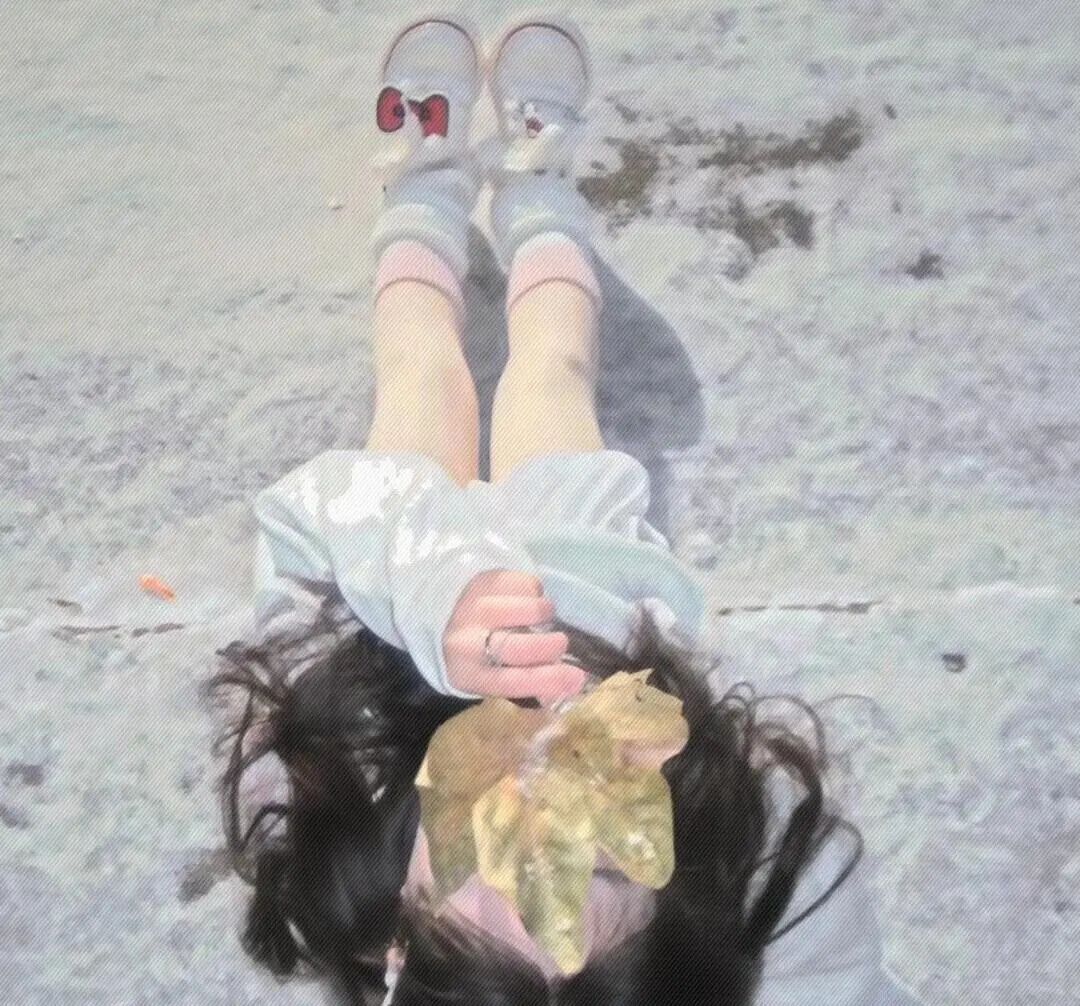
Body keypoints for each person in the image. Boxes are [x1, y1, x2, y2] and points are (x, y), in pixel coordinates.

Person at [210, 13, 924, 1006]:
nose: (542, 788)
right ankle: (543, 190)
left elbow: (313, 513)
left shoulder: (317, 776)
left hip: (370, 624)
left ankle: (424, 187)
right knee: (554, 374)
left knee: (419, 379)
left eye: (486, 846)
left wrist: (430, 584)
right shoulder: (733, 864)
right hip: (584, 597)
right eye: (609, 862)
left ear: (392, 948)